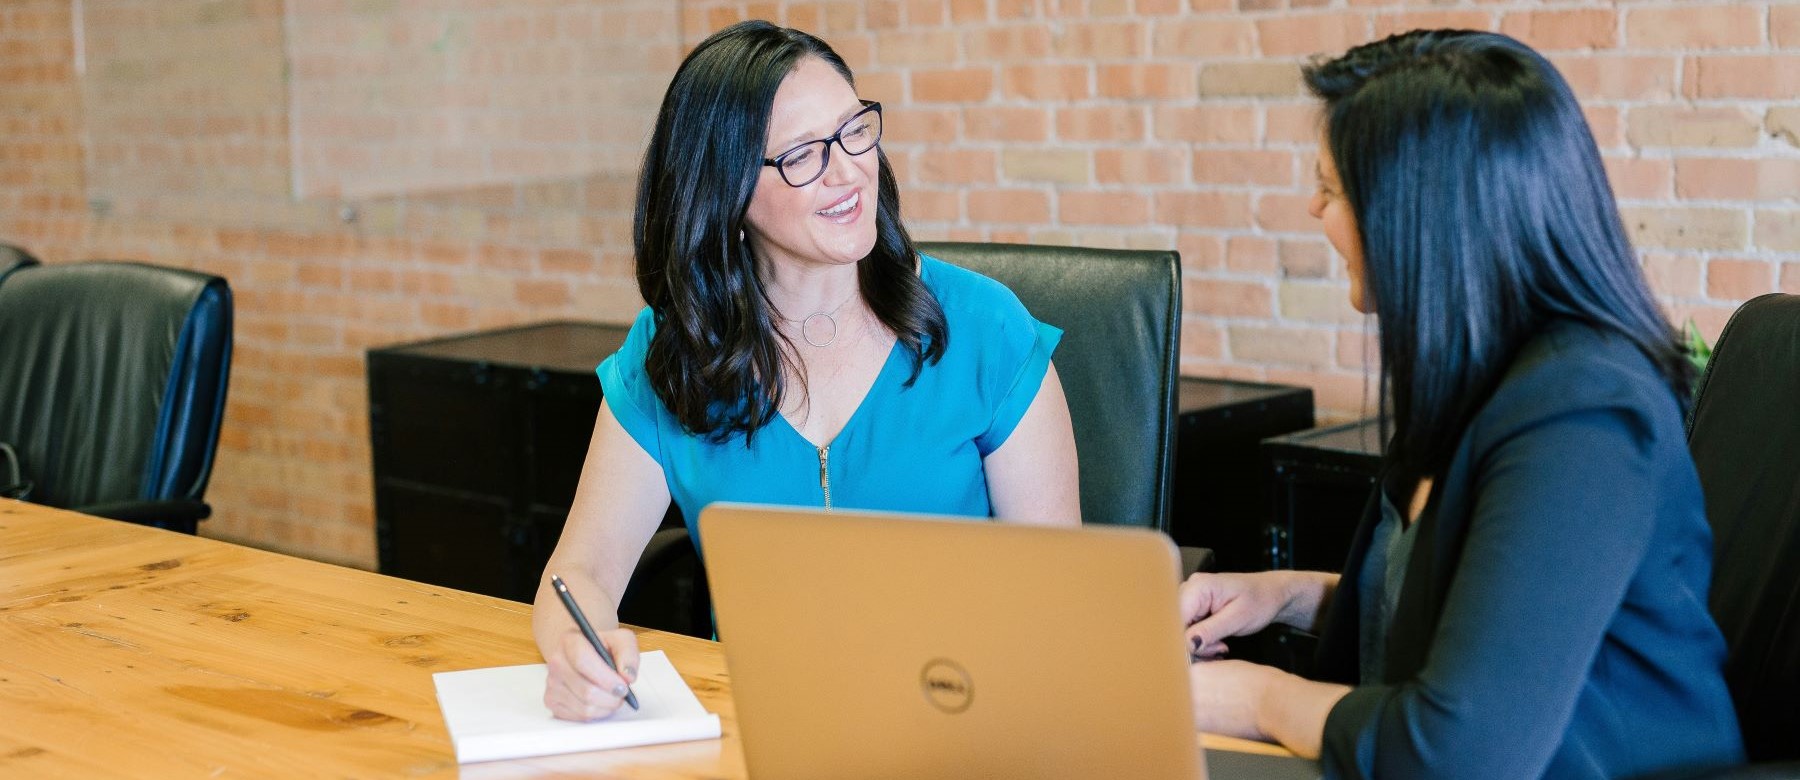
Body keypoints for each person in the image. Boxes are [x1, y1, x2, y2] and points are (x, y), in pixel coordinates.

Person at [1178, 30, 1745, 778]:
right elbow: (1472, 612)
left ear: (1423, 215)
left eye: (1333, 187)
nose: (1311, 207)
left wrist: (1256, 699)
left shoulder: (1585, 416)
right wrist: (1285, 596)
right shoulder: (1478, 377)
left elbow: (1460, 750)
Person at [532, 21, 1080, 722]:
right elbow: (577, 573)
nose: (850, 170)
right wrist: (575, 654)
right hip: (759, 723)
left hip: (962, 716)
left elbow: (1060, 596)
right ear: (725, 191)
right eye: (802, 155)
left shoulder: (985, 329)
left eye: (855, 131)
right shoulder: (672, 355)